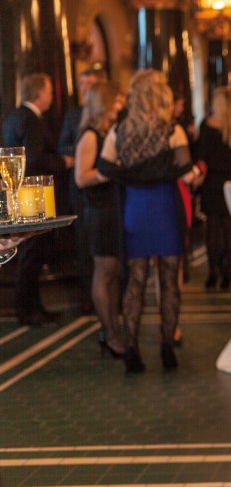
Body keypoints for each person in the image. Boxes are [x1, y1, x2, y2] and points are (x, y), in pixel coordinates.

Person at [99, 69, 202, 373]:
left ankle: (132, 352)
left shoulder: (118, 131)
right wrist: (183, 174)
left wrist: (132, 175)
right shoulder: (173, 131)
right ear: (161, 96)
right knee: (169, 280)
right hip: (164, 208)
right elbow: (186, 173)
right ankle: (168, 347)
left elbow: (105, 168)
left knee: (136, 280)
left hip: (135, 208)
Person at [2, 72, 73, 326]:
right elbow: (32, 160)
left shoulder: (14, 116)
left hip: (21, 193)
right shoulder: (30, 119)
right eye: (50, 91)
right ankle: (27, 311)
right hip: (31, 194)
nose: (52, 97)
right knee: (31, 254)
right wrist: (62, 162)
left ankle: (34, 308)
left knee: (31, 253)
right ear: (39, 93)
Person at [74, 82, 126, 358]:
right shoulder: (91, 135)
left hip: (112, 208)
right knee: (104, 272)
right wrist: (107, 173)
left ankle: (113, 328)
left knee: (114, 272)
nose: (120, 105)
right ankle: (109, 332)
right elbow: (81, 177)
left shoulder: (108, 132)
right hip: (99, 211)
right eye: (116, 101)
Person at [59, 68, 107, 313]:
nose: (86, 87)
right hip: (81, 189)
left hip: (107, 190)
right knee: (84, 244)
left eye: (91, 83)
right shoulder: (74, 114)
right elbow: (63, 146)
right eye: (83, 83)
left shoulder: (110, 115)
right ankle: (87, 299)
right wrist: (81, 152)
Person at [197, 86, 231, 290]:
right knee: (229, 228)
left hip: (211, 183)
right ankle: (228, 271)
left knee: (213, 229)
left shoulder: (207, 126)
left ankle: (213, 271)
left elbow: (201, 157)